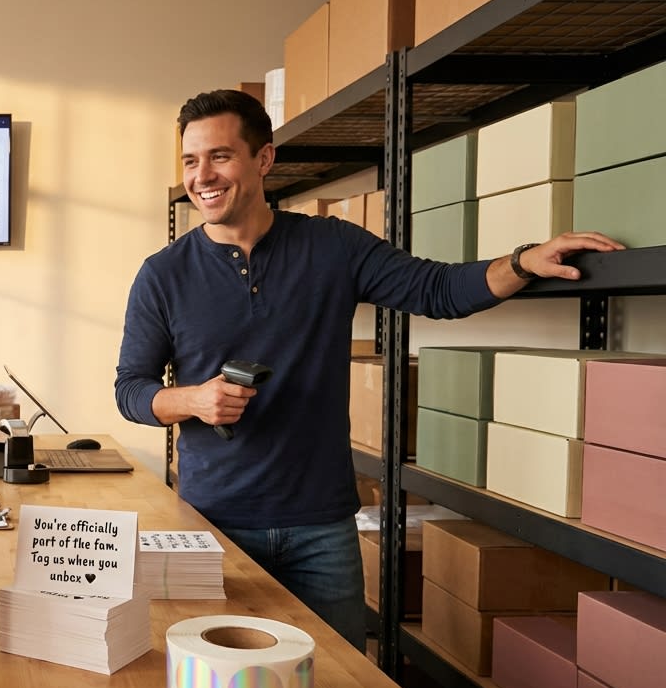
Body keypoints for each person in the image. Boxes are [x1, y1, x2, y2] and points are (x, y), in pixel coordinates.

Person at [114, 89, 622, 648]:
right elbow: (131, 390)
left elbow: (439, 289)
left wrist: (524, 260)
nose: (202, 175)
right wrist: (190, 400)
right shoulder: (163, 274)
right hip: (214, 526)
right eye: (191, 160)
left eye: (220, 156)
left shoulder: (332, 247)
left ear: (263, 159)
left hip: (321, 528)